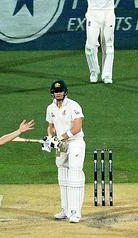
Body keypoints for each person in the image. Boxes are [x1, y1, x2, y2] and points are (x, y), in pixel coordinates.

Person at [45, 79, 86, 223]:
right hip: (61, 145)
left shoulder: (73, 106)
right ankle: (66, 209)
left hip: (75, 143)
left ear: (65, 92)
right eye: (56, 91)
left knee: (74, 174)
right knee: (62, 174)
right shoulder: (50, 108)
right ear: (52, 93)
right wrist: (51, 138)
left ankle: (75, 212)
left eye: (60, 91)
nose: (58, 94)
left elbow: (77, 128)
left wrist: (60, 138)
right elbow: (51, 126)